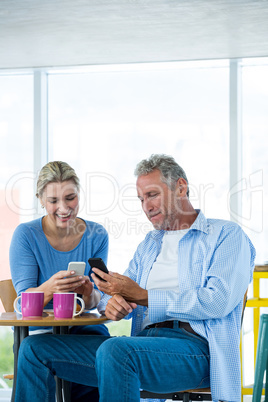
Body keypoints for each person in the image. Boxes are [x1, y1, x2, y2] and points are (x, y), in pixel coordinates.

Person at [14, 154, 255, 402]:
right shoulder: (149, 245)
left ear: (181, 187)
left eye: (152, 195)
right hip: (142, 345)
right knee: (35, 349)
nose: (146, 207)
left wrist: (142, 296)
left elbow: (218, 301)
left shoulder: (225, 235)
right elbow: (115, 294)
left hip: (196, 351)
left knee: (116, 350)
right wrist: (112, 303)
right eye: (141, 199)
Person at [10, 161, 109, 401]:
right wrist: (50, 288)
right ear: (41, 200)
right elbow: (23, 304)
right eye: (54, 201)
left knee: (106, 352)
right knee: (33, 353)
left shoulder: (97, 234)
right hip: (37, 332)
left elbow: (98, 298)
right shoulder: (26, 235)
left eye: (70, 198)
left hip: (83, 330)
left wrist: (87, 293)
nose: (64, 208)